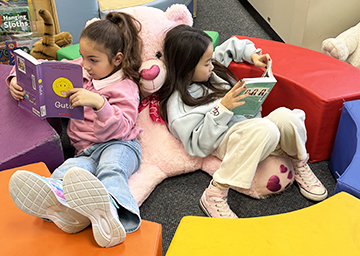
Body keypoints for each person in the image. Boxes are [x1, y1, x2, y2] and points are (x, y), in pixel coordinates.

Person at [158, 25, 328, 219]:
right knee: (267, 129)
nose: (212, 65)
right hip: (226, 140)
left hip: (252, 127)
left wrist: (253, 55)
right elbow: (198, 146)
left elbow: (232, 45)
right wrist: (222, 109)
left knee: (286, 117)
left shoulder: (210, 68)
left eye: (211, 60)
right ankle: (215, 193)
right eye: (206, 63)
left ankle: (299, 163)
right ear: (186, 67)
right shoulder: (178, 104)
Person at [7, 12, 143, 247]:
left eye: (93, 60)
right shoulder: (78, 69)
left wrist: (99, 103)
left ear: (117, 59)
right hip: (84, 150)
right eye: (82, 57)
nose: (85, 65)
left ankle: (114, 212)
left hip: (120, 144)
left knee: (110, 170)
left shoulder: (125, 87)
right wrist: (16, 80)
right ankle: (63, 207)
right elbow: (39, 69)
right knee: (69, 172)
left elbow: (122, 128)